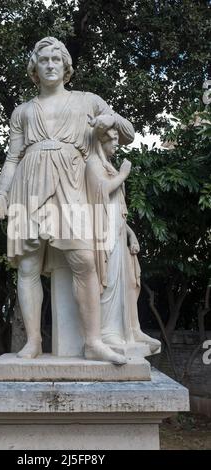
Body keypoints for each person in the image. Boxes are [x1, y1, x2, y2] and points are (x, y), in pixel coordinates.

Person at [0, 37, 135, 363]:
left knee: (83, 259)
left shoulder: (87, 101)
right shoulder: (23, 112)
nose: (51, 64)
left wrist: (110, 120)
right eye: (43, 60)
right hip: (28, 185)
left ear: (66, 66)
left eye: (57, 59)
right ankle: (32, 342)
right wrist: (1, 193)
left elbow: (127, 132)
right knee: (28, 265)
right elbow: (13, 158)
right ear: (34, 68)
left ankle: (93, 341)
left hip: (71, 183)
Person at [86, 126, 161, 353]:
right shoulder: (93, 164)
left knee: (125, 282)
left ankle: (130, 328)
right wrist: (123, 174)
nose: (117, 144)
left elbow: (118, 208)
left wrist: (131, 234)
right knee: (107, 282)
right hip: (103, 233)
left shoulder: (108, 165)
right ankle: (107, 332)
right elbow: (101, 192)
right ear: (101, 141)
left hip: (118, 232)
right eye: (113, 140)